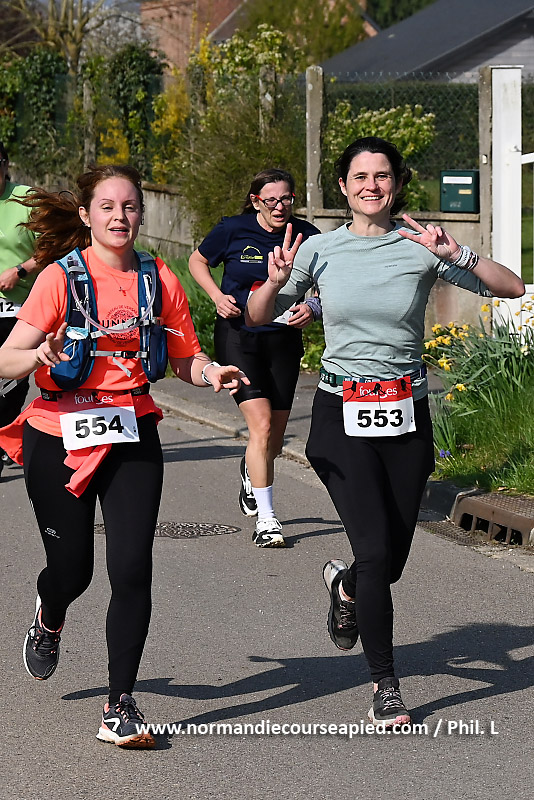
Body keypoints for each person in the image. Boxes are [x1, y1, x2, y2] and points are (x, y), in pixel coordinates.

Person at [246, 137, 524, 727]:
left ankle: (347, 587)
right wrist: (274, 282)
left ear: (396, 184)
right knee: (375, 551)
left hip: (406, 416)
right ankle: (385, 684)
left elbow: (512, 287)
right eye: (359, 176)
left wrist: (458, 253)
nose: (371, 186)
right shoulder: (318, 250)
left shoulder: (420, 247)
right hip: (340, 415)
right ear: (342, 187)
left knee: (388, 561)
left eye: (381, 176)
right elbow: (259, 315)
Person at [0, 164, 248, 749]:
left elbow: (184, 358)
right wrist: (38, 356)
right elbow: (5, 358)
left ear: (141, 214)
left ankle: (120, 704)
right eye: (108, 207)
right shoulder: (60, 279)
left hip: (131, 430)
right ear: (86, 215)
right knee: (73, 571)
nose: (120, 217)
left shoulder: (158, 277)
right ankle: (50, 612)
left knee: (133, 567)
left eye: (130, 206)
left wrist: (210, 372)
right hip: (58, 435)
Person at [189, 168, 320, 547]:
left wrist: (313, 306)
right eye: (271, 200)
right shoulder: (233, 229)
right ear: (255, 201)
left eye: (286, 199)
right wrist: (217, 296)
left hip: (283, 339)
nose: (280, 207)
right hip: (238, 336)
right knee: (260, 427)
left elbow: (329, 281)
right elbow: (198, 261)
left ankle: (251, 469)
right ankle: (267, 520)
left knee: (273, 440)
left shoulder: (307, 236)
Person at [0, 142, 41, 475]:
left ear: (5, 165)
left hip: (18, 308)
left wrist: (21, 270)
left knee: (12, 380)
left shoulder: (25, 200)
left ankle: (4, 438)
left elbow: (53, 247)